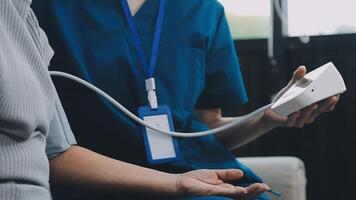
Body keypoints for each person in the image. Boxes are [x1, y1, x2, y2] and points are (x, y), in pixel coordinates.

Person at [31, 0, 339, 199]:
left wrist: (266, 118)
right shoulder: (43, 10)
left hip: (197, 175)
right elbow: (48, 146)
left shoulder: (204, 10)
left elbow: (206, 128)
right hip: (99, 180)